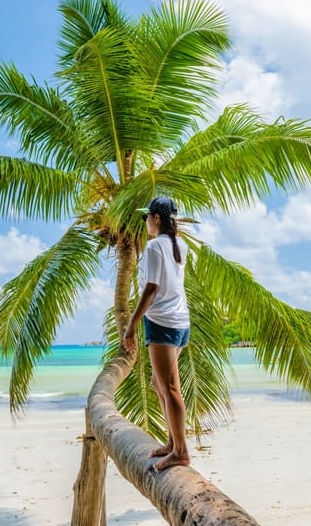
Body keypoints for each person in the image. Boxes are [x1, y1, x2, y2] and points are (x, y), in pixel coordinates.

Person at [123, 196, 190, 471]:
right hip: (181, 322)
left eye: (147, 216)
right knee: (157, 383)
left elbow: (151, 288)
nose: (145, 221)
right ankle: (172, 443)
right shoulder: (179, 244)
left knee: (170, 388)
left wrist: (131, 324)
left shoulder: (154, 247)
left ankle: (180, 452)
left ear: (157, 218)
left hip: (162, 323)